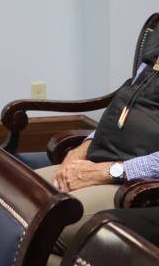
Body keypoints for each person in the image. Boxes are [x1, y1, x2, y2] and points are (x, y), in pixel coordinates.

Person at [36, 24, 159, 252]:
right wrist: (81, 150)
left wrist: (106, 172)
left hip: (135, 183)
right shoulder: (156, 43)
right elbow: (126, 104)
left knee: (44, 227)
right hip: (101, 156)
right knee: (14, 199)